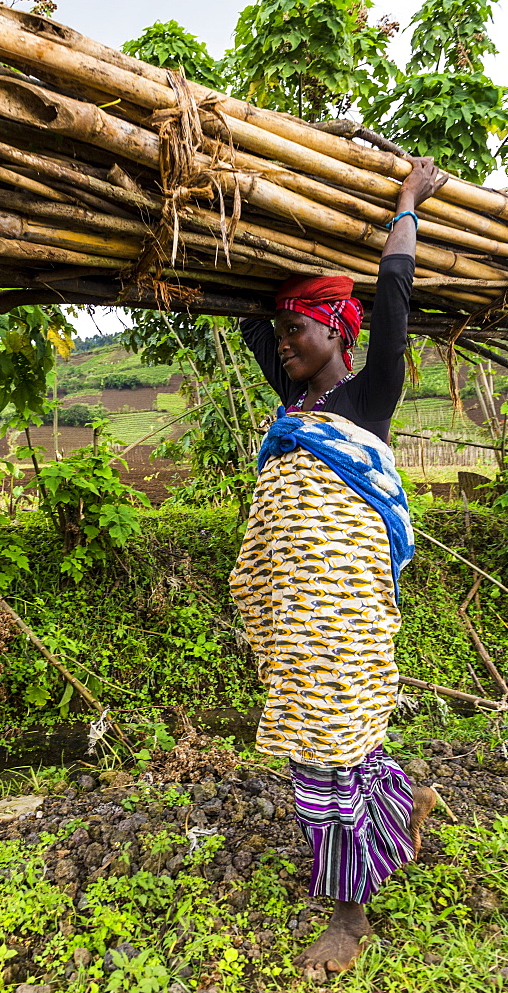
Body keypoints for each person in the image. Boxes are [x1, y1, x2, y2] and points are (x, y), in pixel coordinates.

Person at [230, 157, 448, 974]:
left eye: (298, 332)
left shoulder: (366, 398)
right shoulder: (293, 411)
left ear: (337, 334)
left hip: (342, 614)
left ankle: (349, 918)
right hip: (295, 616)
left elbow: (391, 300)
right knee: (341, 746)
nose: (283, 344)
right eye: (281, 333)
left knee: (321, 757)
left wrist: (403, 204)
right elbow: (255, 315)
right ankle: (410, 802)